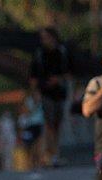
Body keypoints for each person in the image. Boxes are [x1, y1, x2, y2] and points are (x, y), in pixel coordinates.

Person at [29, 28, 74, 167]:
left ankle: (55, 153)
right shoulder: (39, 54)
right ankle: (49, 154)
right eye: (42, 38)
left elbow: (69, 73)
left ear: (53, 37)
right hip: (46, 93)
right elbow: (33, 76)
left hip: (60, 93)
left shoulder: (62, 52)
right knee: (48, 124)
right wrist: (36, 92)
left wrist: (59, 80)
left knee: (57, 124)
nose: (44, 41)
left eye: (46, 37)